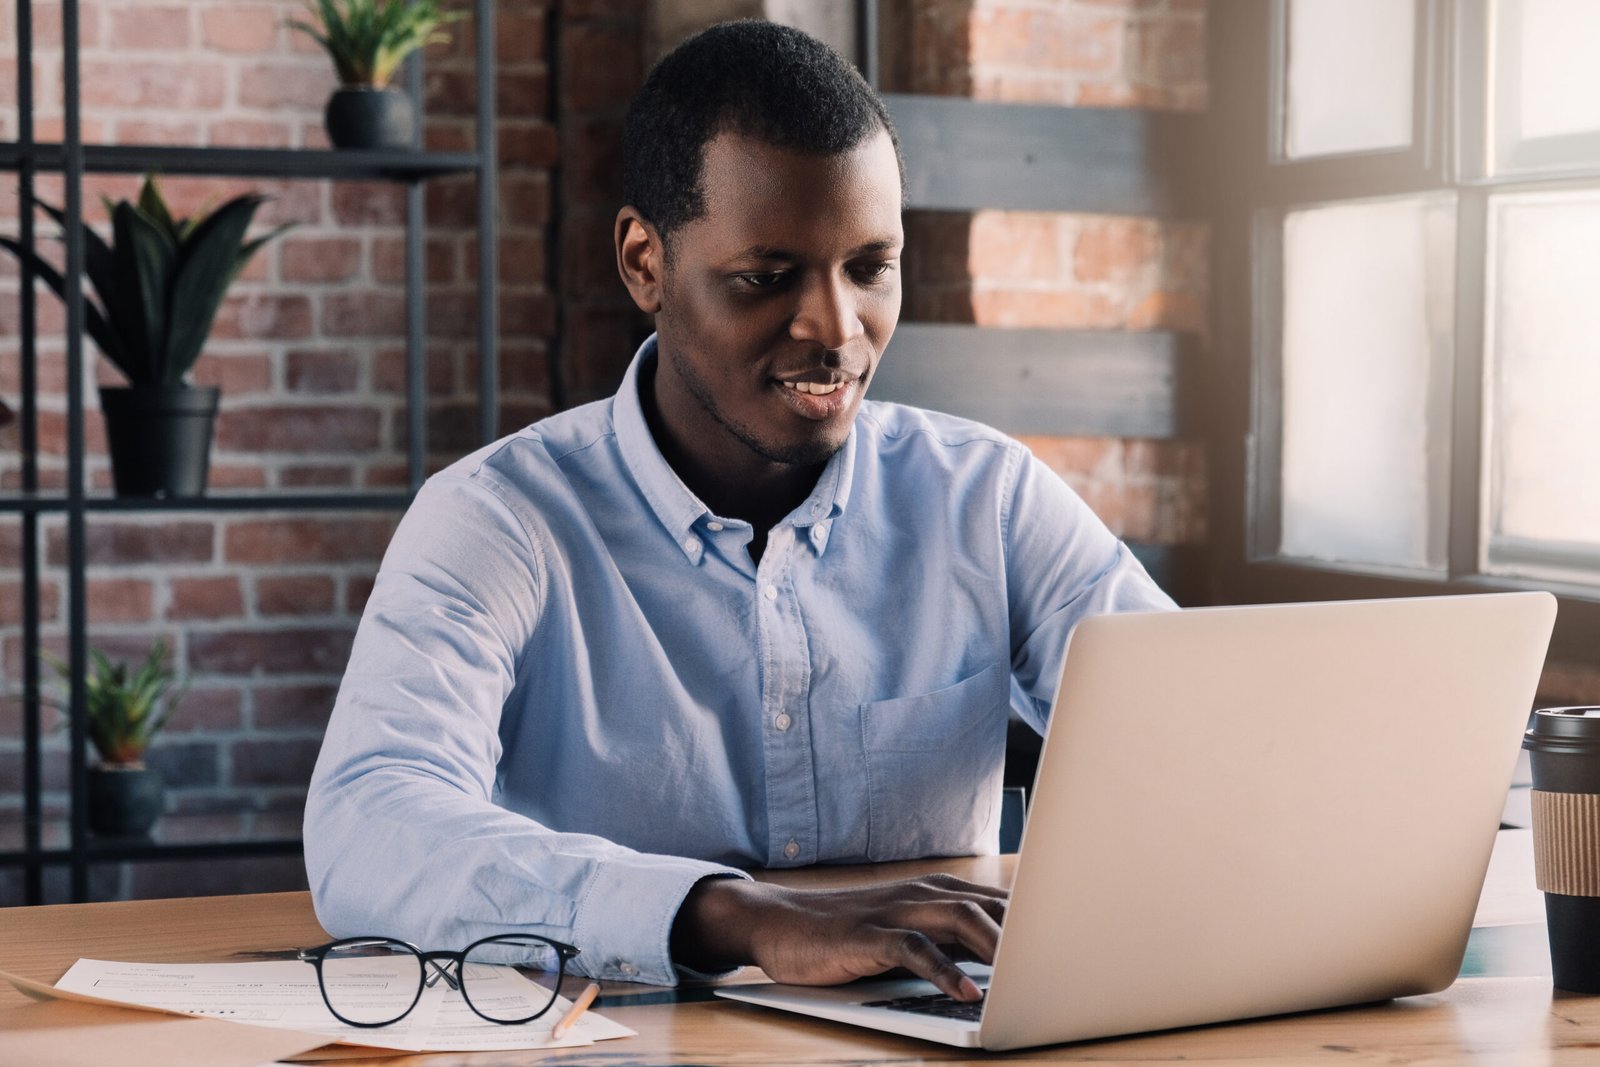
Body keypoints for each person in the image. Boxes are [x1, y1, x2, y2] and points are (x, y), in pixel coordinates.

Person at [304, 19, 1173, 1005]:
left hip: (934, 1028)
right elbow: (370, 825)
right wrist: (738, 917)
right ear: (644, 262)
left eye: (869, 267)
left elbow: (1203, 738)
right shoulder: (498, 519)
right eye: (767, 278)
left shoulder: (989, 496)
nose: (835, 330)